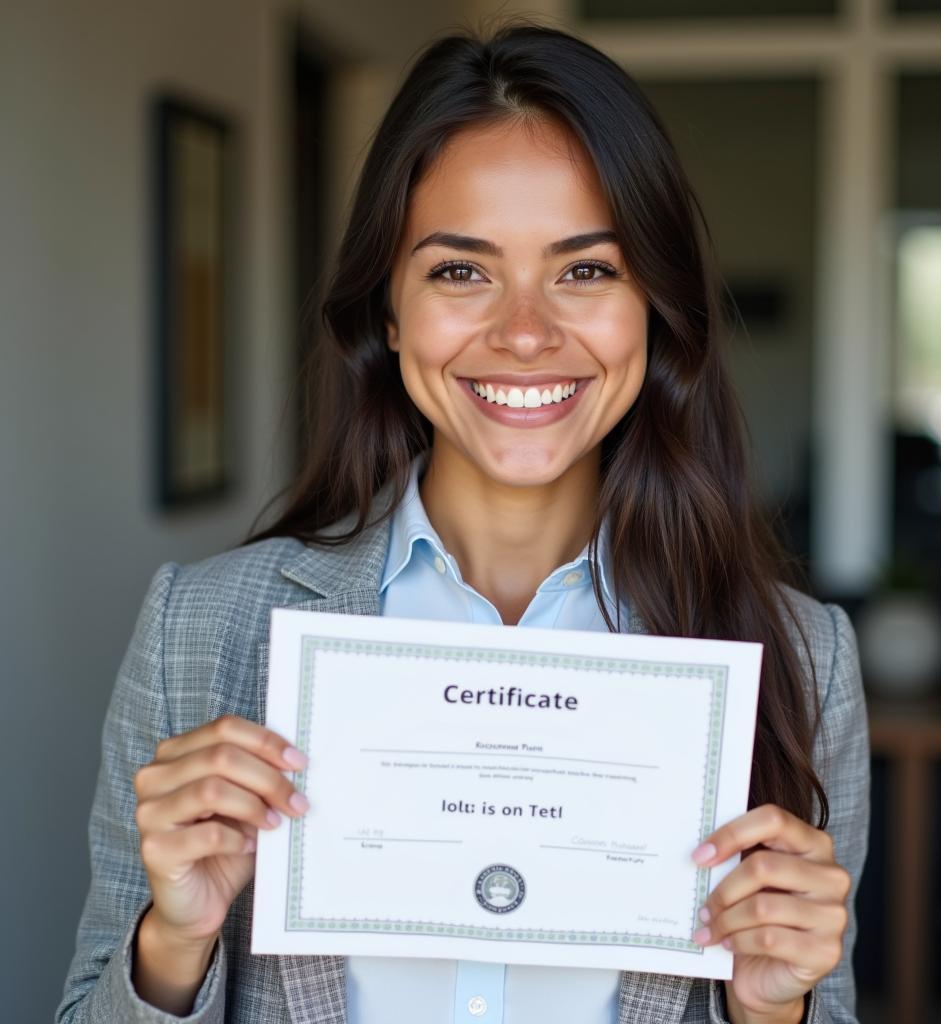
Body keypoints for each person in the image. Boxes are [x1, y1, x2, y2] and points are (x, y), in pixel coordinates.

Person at [57, 21, 868, 1024]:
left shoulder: (799, 659)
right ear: (388, 311)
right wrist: (172, 941)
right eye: (459, 271)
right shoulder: (201, 629)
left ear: (653, 305)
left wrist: (771, 1010)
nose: (524, 332)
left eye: (585, 270)